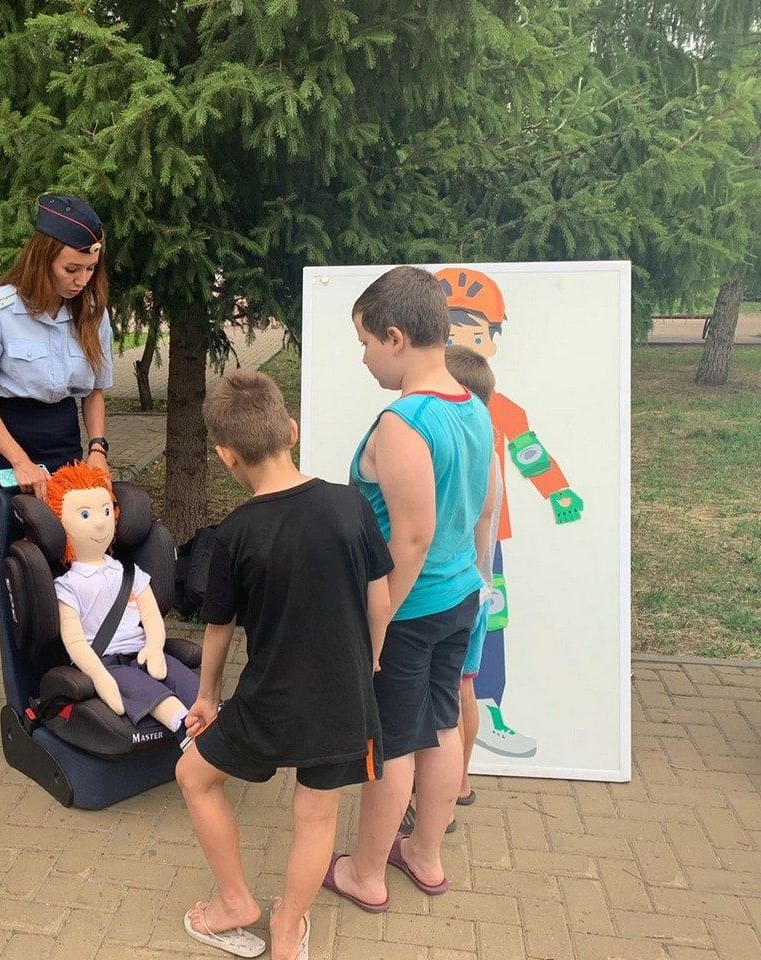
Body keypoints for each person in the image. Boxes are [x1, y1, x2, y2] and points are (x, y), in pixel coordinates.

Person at [176, 370, 392, 960]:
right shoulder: (350, 505)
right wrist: (370, 657)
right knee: (317, 818)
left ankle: (234, 903)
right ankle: (289, 926)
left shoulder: (235, 534)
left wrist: (207, 697)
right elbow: (380, 593)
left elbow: (220, 629)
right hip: (345, 697)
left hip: (270, 701)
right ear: (290, 431)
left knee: (195, 777)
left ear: (225, 456)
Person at [323, 266, 493, 913]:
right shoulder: (472, 405)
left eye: (366, 342)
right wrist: (470, 578)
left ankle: (365, 872)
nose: (364, 357)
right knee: (441, 726)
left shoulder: (405, 422)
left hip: (408, 609)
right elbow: (479, 508)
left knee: (391, 745)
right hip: (457, 599)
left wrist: (376, 628)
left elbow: (411, 540)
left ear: (395, 337)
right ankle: (423, 853)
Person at [437, 266, 584, 759]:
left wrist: (558, 493)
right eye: (453, 333)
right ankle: (442, 719)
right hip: (434, 541)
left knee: (488, 620)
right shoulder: (416, 410)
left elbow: (530, 453)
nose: (464, 343)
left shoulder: (503, 408)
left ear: (493, 341)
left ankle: (487, 709)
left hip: (486, 539)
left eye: (477, 334)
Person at [0, 195, 114, 560]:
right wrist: (19, 461)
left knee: (68, 552)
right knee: (16, 561)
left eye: (90, 269)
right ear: (42, 259)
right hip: (8, 441)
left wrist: (97, 449)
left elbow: (93, 392)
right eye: (72, 269)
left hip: (63, 440)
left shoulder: (92, 313)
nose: (82, 280)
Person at [398, 345, 502, 832]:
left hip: (455, 587)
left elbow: (473, 518)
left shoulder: (461, 441)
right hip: (472, 586)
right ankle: (458, 781)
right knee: (461, 690)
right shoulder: (483, 438)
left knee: (442, 702)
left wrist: (474, 573)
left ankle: (437, 788)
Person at [46, 462, 198, 741]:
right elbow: (75, 642)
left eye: (106, 511)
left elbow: (151, 615)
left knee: (186, 681)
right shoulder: (67, 586)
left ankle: (215, 721)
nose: (101, 521)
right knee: (148, 691)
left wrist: (154, 646)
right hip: (107, 661)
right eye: (85, 514)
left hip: (143, 652)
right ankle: (185, 729)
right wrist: (99, 676)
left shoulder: (128, 572)